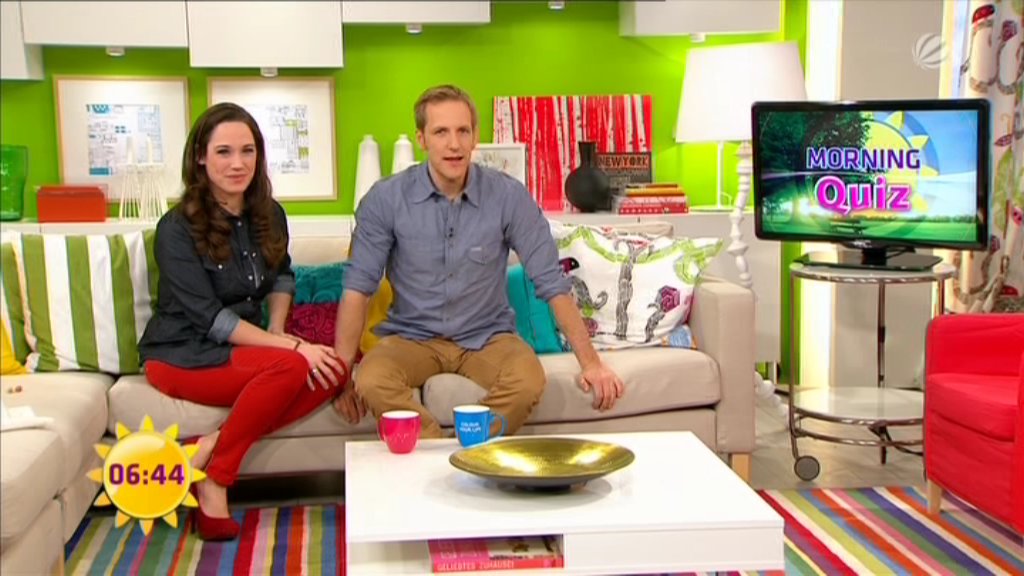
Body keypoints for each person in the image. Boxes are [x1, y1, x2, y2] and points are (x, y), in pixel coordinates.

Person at [331, 85, 624, 437]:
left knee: (528, 380)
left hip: (487, 337)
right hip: (411, 337)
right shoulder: (386, 199)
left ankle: (470, 446)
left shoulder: (508, 196)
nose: (454, 144)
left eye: (463, 131)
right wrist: (341, 379)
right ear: (422, 138)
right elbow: (357, 288)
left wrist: (592, 364)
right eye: (441, 132)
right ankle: (440, 454)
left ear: (475, 137)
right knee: (372, 379)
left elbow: (550, 282)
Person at [138, 102, 346, 541]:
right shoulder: (175, 228)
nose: (238, 163)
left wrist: (278, 330)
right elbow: (210, 320)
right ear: (200, 157)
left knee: (336, 365)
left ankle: (208, 447)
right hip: (182, 353)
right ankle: (217, 480)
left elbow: (283, 275)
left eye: (247, 151)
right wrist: (291, 347)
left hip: (245, 348)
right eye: (224, 152)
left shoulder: (270, 214)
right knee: (295, 364)